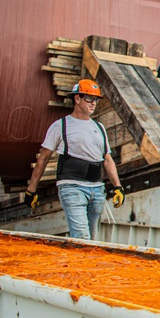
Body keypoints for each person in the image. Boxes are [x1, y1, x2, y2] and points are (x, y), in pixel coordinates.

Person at [24, 79, 125, 239]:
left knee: (92, 239)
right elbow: (43, 158)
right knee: (82, 238)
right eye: (90, 99)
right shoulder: (61, 126)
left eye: (96, 100)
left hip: (97, 189)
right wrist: (31, 190)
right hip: (72, 187)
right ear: (77, 99)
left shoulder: (99, 128)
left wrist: (118, 187)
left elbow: (107, 160)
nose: (94, 103)